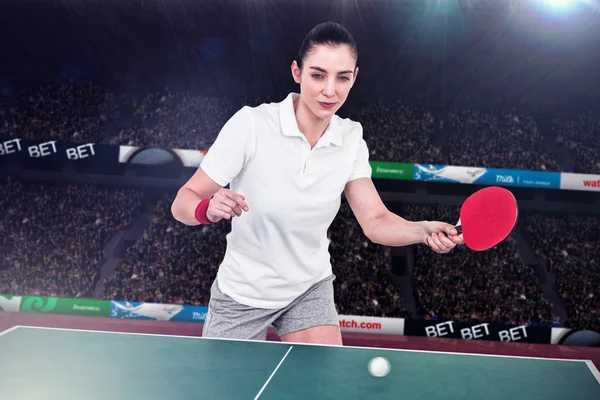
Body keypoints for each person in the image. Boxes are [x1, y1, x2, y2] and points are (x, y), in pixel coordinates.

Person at [171, 21, 463, 345]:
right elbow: (183, 201)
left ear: (355, 77)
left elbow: (376, 221)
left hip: (307, 289)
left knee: (322, 389)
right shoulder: (251, 125)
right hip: (243, 292)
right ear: (297, 72)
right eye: (318, 75)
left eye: (343, 77)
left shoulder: (351, 138)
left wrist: (423, 230)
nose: (329, 91)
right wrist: (206, 209)